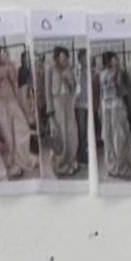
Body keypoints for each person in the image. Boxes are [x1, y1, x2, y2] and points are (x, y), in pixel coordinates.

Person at [0, 42, 33, 177]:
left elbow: (15, 82)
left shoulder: (8, 67)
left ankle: (21, 159)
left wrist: (9, 63)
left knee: (23, 128)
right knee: (7, 135)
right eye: (0, 54)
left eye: (4, 54)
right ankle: (13, 166)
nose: (3, 56)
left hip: (12, 101)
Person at [95, 49, 131, 179]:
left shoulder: (120, 73)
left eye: (115, 59)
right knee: (109, 137)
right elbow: (102, 92)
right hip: (107, 106)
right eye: (113, 59)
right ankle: (113, 166)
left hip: (115, 105)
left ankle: (122, 166)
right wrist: (99, 107)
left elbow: (124, 92)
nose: (115, 61)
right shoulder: (102, 74)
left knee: (119, 137)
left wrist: (118, 75)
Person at [46, 44, 80, 176]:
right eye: (62, 58)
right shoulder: (50, 69)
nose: (65, 60)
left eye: (66, 58)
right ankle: (60, 165)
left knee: (71, 133)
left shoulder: (69, 69)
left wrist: (69, 81)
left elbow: (74, 88)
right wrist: (50, 112)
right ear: (57, 58)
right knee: (60, 135)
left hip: (68, 103)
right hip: (57, 104)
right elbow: (48, 91)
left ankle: (71, 160)